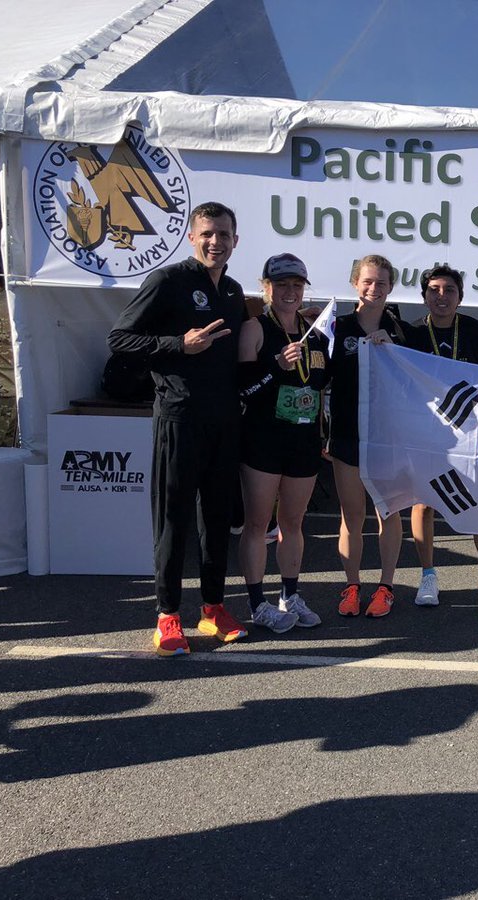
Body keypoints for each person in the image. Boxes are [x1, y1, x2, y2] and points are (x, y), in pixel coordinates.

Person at [107, 201, 248, 656]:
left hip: (223, 422)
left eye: (223, 234)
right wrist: (178, 345)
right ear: (192, 237)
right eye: (207, 233)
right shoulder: (168, 281)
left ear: (235, 240)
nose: (215, 242)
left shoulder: (233, 291)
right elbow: (119, 338)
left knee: (217, 520)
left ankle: (213, 609)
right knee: (173, 519)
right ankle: (167, 615)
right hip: (178, 418)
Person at [405, 264, 478, 618]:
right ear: (424, 296)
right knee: (423, 504)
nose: (441, 296)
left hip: (470, 435)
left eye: (449, 290)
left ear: (460, 297)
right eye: (434, 290)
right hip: (425, 433)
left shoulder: (477, 331)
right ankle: (428, 576)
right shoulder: (412, 333)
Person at [236, 253, 329, 633]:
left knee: (293, 522)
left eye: (296, 285)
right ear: (266, 288)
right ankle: (257, 603)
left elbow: (323, 384)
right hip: (263, 440)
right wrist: (276, 366)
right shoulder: (255, 329)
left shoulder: (316, 333)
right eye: (281, 285)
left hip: (303, 440)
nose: (290, 292)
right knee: (259, 523)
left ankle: (290, 594)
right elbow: (242, 389)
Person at [328, 255, 412, 618]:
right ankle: (351, 586)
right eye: (367, 281)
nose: (373, 288)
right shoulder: (337, 327)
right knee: (352, 515)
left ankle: (386, 586)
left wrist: (392, 349)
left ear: (390, 287)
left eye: (380, 282)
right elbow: (318, 376)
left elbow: (415, 382)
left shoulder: (402, 331)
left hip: (388, 437)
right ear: (354, 283)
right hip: (347, 434)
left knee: (388, 511)